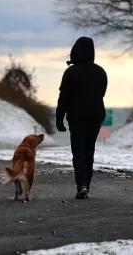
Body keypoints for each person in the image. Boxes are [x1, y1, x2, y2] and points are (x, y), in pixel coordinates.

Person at [56, 36, 108, 199]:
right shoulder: (101, 72)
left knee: (78, 152)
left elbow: (63, 98)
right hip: (95, 116)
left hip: (77, 117)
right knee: (89, 151)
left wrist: (59, 119)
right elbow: (101, 94)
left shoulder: (71, 72)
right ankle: (87, 185)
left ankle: (82, 186)